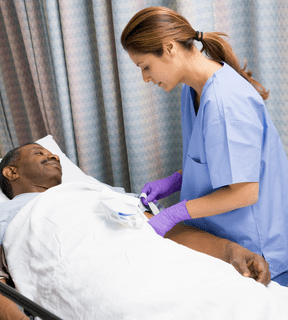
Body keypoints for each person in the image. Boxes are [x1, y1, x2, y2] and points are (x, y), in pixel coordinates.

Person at [0, 143, 271, 319]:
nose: (54, 156)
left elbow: (167, 231)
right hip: (102, 282)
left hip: (161, 264)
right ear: (12, 172)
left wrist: (231, 251)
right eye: (39, 153)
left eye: (54, 153)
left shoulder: (96, 191)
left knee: (246, 301)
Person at [120, 6, 288, 286]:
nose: (145, 78)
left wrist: (176, 212)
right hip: (221, 239)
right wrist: (173, 182)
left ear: (169, 47)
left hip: (256, 250)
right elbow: (220, 164)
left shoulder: (225, 102)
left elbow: (245, 192)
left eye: (145, 67)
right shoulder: (193, 90)